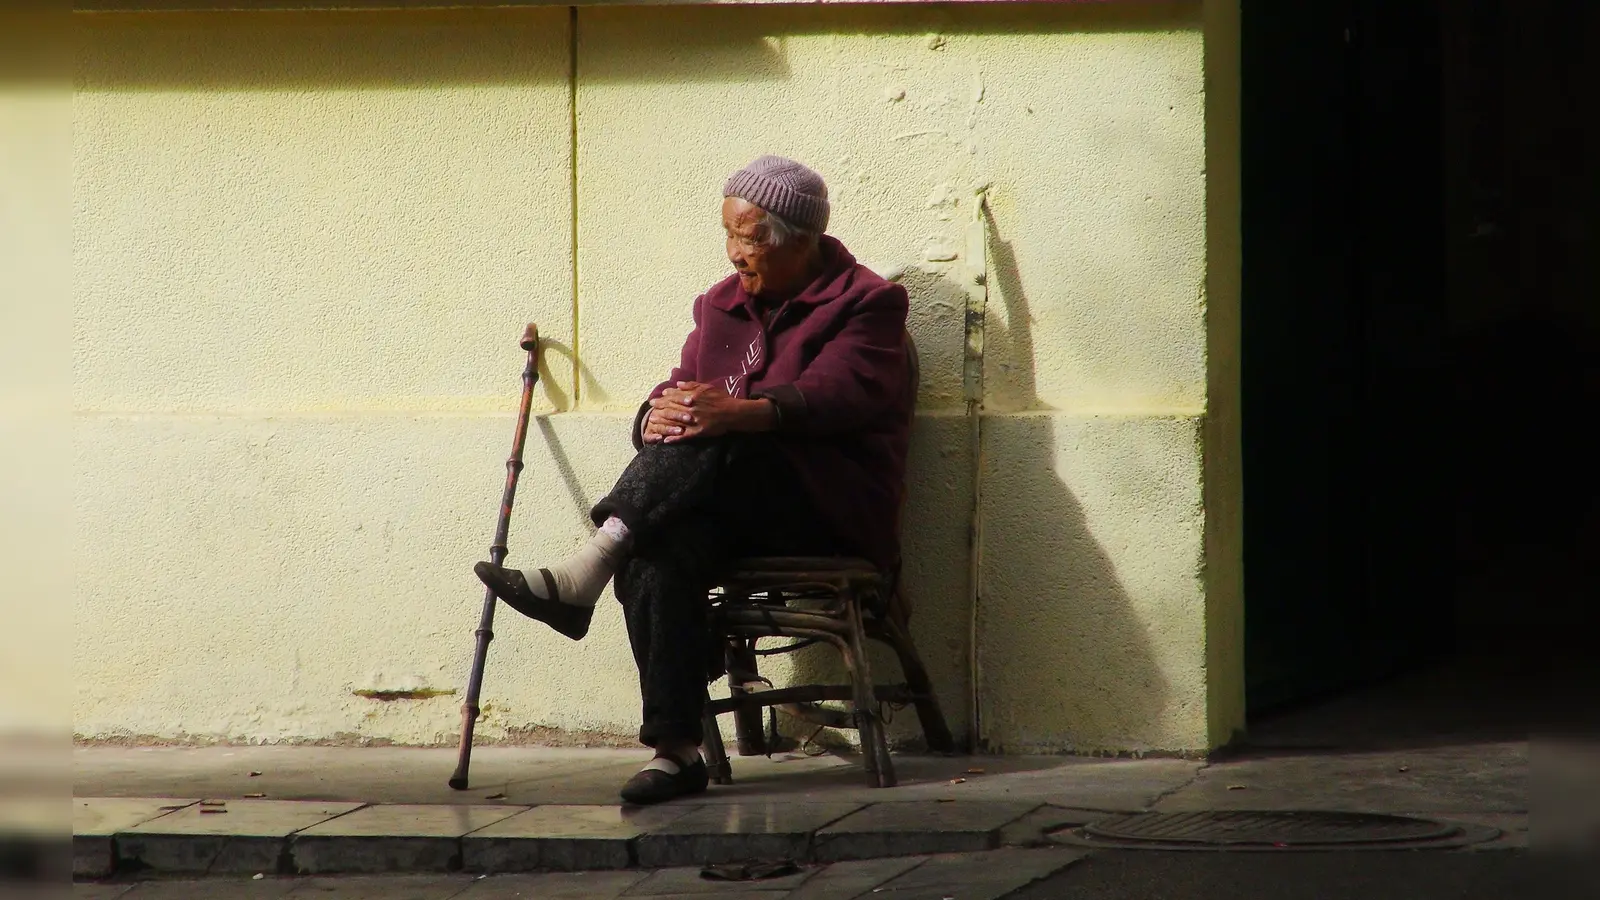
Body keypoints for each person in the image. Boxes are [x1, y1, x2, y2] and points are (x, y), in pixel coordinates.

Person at [474, 155, 913, 805]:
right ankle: (676, 752)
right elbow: (683, 388)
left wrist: (739, 413)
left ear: (802, 238)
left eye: (751, 236)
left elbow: (844, 392)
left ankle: (586, 568)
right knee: (656, 554)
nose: (736, 252)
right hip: (723, 502)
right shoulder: (719, 305)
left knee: (727, 437)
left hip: (823, 502)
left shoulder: (866, 302)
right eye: (729, 233)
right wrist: (658, 413)